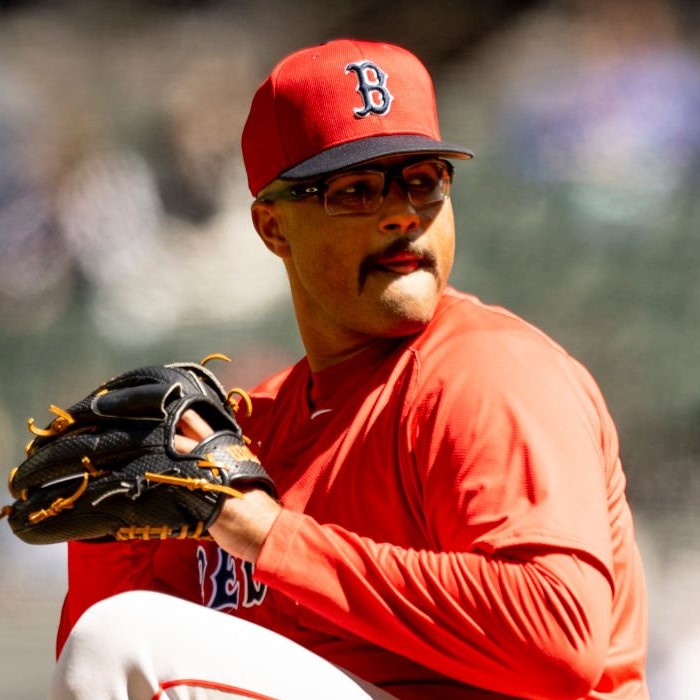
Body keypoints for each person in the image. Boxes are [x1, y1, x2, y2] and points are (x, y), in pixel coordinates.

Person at [50, 39, 649, 699]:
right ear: (273, 227)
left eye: (423, 181)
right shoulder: (246, 435)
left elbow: (559, 636)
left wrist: (273, 538)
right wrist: (107, 538)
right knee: (115, 635)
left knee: (123, 639)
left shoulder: (492, 372)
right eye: (356, 191)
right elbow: (99, 662)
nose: (403, 214)